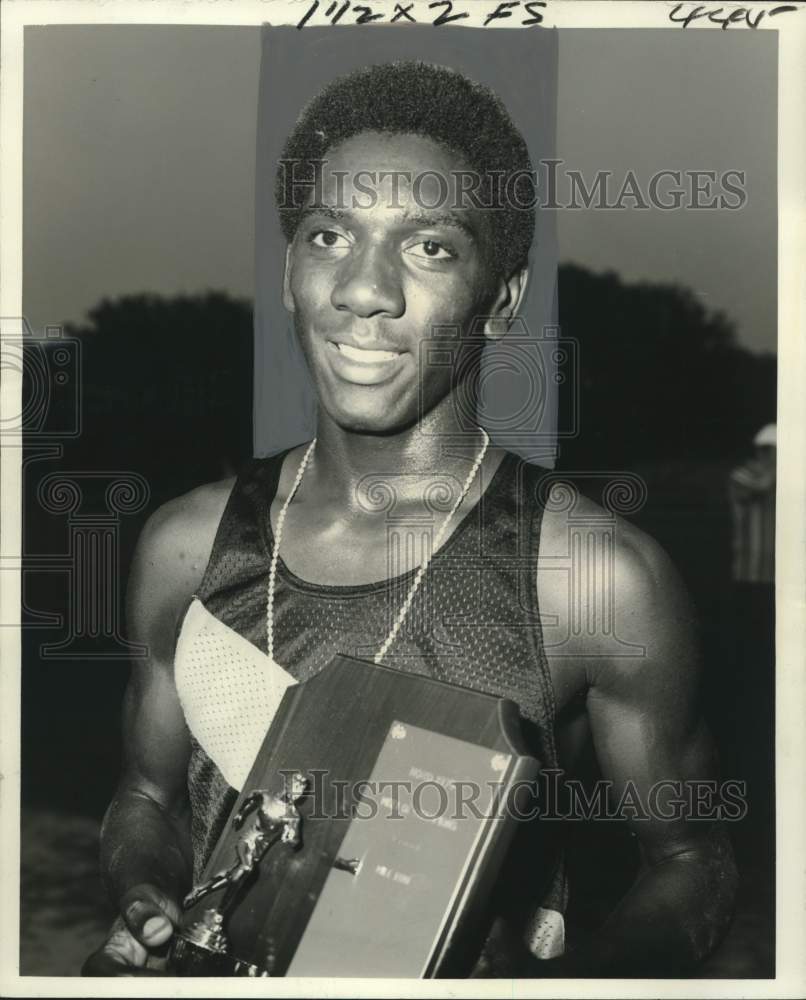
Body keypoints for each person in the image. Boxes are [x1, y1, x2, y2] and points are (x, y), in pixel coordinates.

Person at [83, 61, 737, 977]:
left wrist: (574, 985)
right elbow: (148, 797)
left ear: (499, 301)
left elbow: (693, 862)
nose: (364, 289)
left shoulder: (593, 576)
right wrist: (146, 893)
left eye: (429, 247)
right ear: (289, 272)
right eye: (328, 237)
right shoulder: (187, 547)